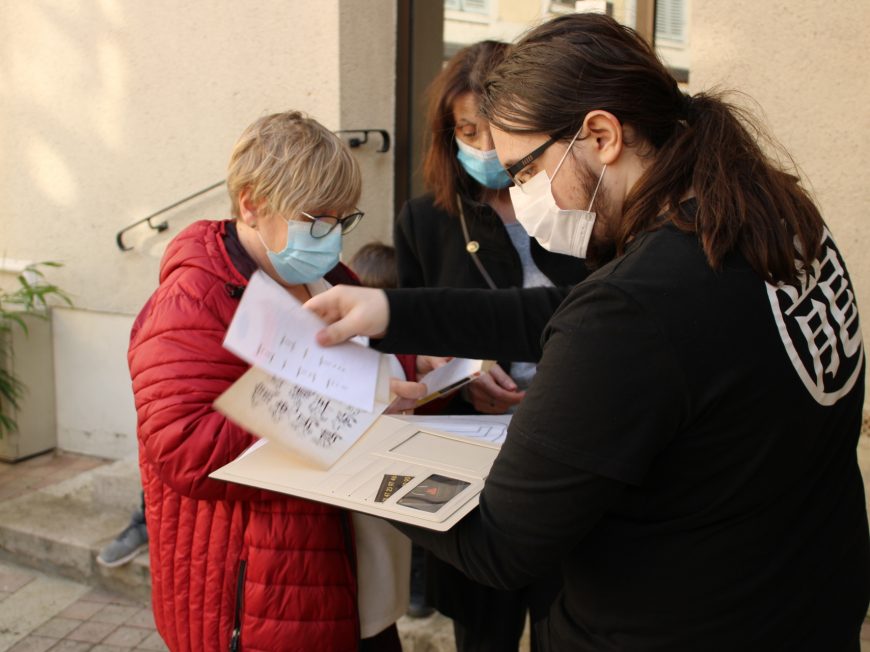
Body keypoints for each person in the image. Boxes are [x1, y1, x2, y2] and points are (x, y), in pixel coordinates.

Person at [305, 13, 869, 652]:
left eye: (524, 171)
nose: (519, 200)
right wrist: (392, 313)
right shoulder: (772, 215)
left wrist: (350, 447)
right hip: (805, 598)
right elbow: (572, 316)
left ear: (600, 134)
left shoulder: (637, 307)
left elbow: (500, 544)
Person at [128, 111, 427, 651]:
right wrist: (348, 413)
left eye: (343, 220)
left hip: (348, 568)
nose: (332, 235)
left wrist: (412, 366)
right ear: (251, 203)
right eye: (317, 219)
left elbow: (371, 363)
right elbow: (185, 448)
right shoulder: (191, 301)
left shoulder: (330, 277)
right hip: (260, 591)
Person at [394, 40, 588, 649]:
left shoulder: (576, 207)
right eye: (465, 130)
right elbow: (417, 338)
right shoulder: (426, 221)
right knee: (484, 629)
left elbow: (601, 319)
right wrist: (466, 371)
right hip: (473, 459)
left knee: (571, 617)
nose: (481, 148)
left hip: (569, 448)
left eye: (494, 130)